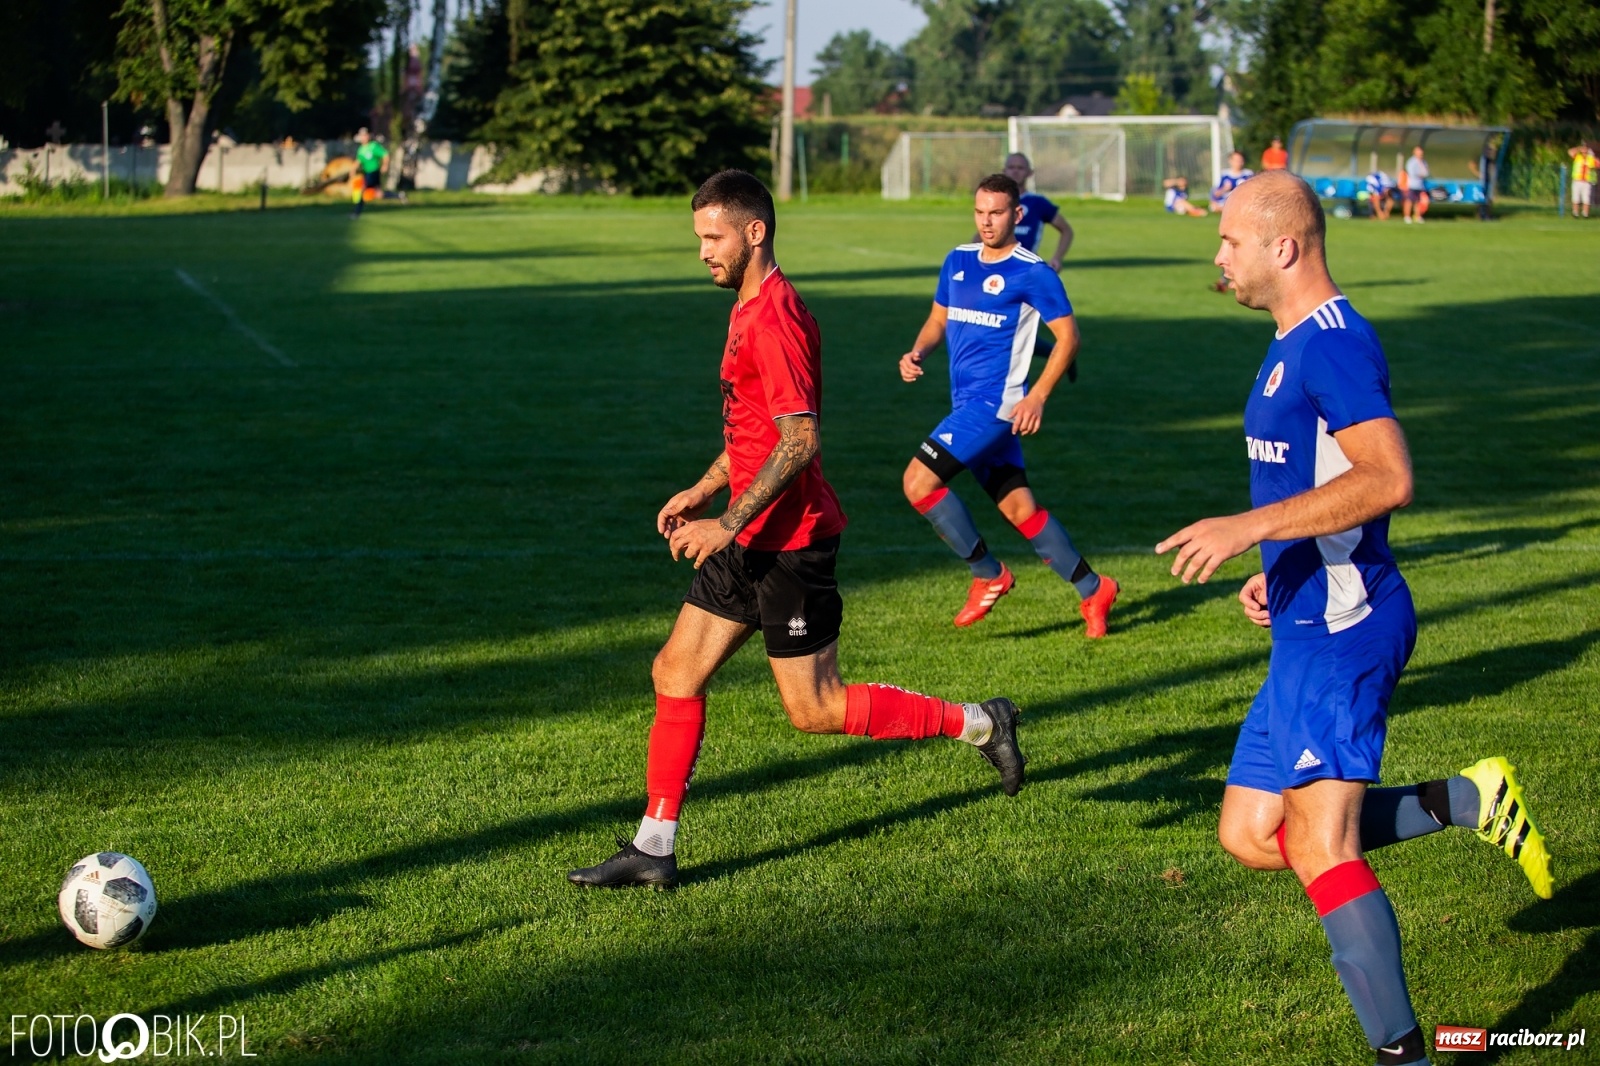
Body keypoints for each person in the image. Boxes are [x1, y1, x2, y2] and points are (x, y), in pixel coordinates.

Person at [1157, 171, 1554, 1066]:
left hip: (1347, 629)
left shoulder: (1332, 344)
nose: (1219, 255)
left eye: (1230, 241)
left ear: (1283, 247)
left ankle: (1403, 1055)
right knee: (1251, 835)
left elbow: (1388, 476)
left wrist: (1250, 528)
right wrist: (1278, 568)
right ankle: (1464, 799)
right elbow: (1320, 480)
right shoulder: (1288, 341)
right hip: (1305, 618)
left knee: (1318, 843)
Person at [567, 171, 1027, 890]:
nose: (703, 251)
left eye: (713, 237)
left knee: (815, 708)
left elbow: (801, 440)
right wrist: (704, 488)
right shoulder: (747, 306)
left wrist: (726, 523)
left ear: (754, 232)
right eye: (699, 238)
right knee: (675, 672)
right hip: (748, 535)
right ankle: (654, 846)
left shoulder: (775, 318)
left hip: (791, 544)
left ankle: (982, 722)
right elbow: (755, 432)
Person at [898, 174, 1119, 637]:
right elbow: (938, 320)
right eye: (980, 212)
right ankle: (1094, 588)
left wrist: (1037, 395)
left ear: (1017, 215)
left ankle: (988, 574)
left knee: (918, 482)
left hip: (996, 407)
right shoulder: (957, 260)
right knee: (1021, 509)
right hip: (966, 403)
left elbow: (1069, 338)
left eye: (996, 213)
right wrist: (917, 352)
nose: (986, 222)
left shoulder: (1032, 272)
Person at [1210, 152, 1256, 291]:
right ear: (1230, 161)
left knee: (1241, 248)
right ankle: (1227, 280)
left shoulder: (1248, 175)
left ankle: (1233, 280)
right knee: (1231, 248)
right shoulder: (1225, 175)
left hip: (1244, 217)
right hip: (1229, 217)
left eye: (1240, 160)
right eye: (1236, 160)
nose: (1238, 162)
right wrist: (1225, 189)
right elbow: (1215, 196)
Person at [350, 128, 388, 218]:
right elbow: (358, 161)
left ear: (368, 136)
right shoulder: (361, 149)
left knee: (362, 190)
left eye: (365, 135)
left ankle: (356, 213)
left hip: (373, 172)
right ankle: (399, 196)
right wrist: (352, 170)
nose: (363, 137)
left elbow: (385, 154)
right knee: (378, 194)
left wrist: (385, 165)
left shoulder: (373, 146)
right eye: (362, 136)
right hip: (367, 173)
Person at [1568, 142, 1597, 219]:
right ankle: (1575, 213)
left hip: (1587, 181)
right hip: (1577, 180)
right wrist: (1578, 149)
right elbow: (1570, 152)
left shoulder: (1591, 158)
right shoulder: (1578, 156)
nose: (1584, 151)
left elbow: (1597, 164)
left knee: (1586, 198)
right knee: (1576, 197)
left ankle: (1585, 213)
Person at [1402, 146, 1430, 224]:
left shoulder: (1423, 162)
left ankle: (1418, 216)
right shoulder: (1411, 162)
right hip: (1412, 185)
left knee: (1418, 201)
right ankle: (1407, 217)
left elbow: (1426, 173)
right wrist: (1420, 174)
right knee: (1409, 201)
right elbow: (1412, 173)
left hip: (1420, 185)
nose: (1420, 154)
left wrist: (1422, 174)